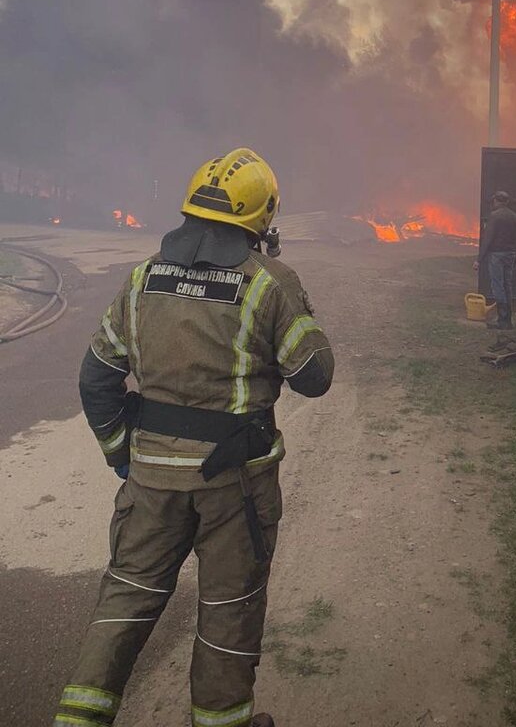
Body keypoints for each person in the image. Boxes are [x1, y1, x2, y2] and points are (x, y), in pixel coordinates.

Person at [53, 148, 334, 727]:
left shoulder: (142, 278)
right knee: (228, 611)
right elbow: (314, 377)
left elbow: (95, 377)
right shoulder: (268, 283)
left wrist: (121, 456)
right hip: (235, 489)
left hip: (149, 483)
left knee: (125, 600)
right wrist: (291, 295)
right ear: (262, 217)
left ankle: (78, 719)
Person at [474, 190, 516, 327]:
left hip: (497, 255)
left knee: (498, 286)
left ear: (497, 201)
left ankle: (502, 320)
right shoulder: (514, 216)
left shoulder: (494, 216)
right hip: (510, 254)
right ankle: (508, 319)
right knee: (508, 285)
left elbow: (488, 239)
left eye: (494, 201)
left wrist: (479, 259)